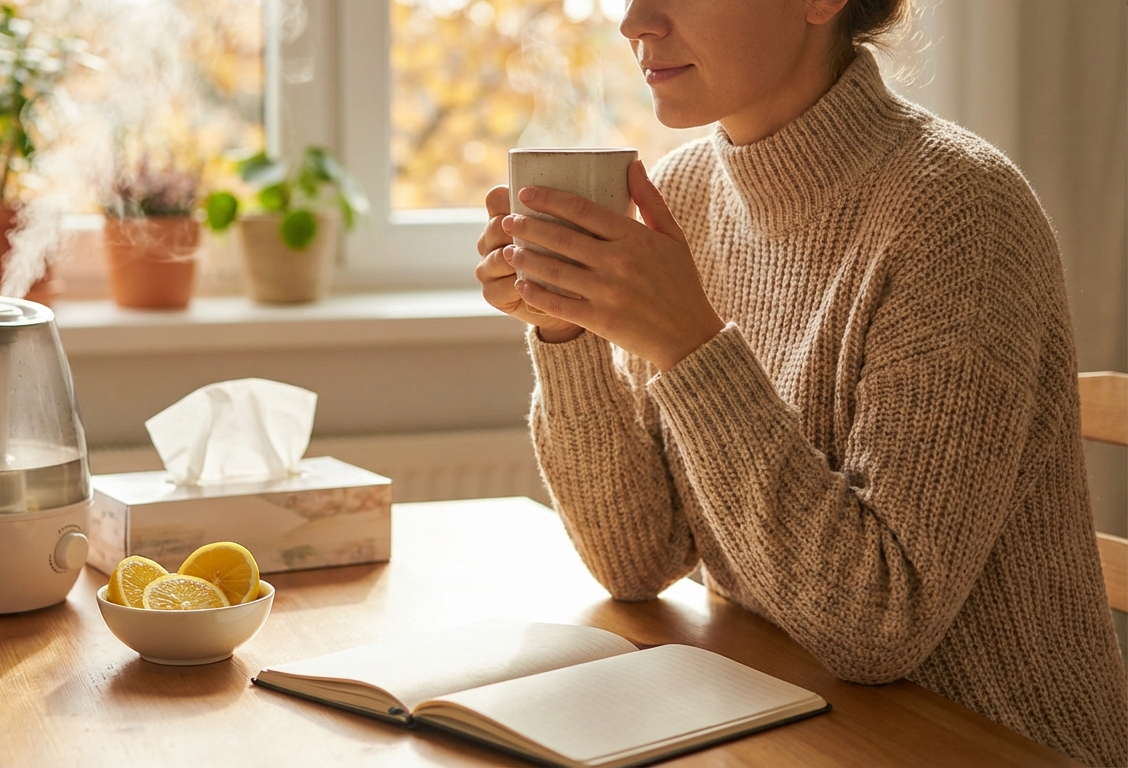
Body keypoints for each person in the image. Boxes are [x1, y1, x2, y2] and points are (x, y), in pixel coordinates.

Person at [474, 0, 1128, 764]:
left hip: (989, 744)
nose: (634, 22)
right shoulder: (684, 196)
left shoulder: (962, 214)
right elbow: (637, 561)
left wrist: (690, 346)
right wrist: (567, 330)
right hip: (783, 722)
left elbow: (880, 623)